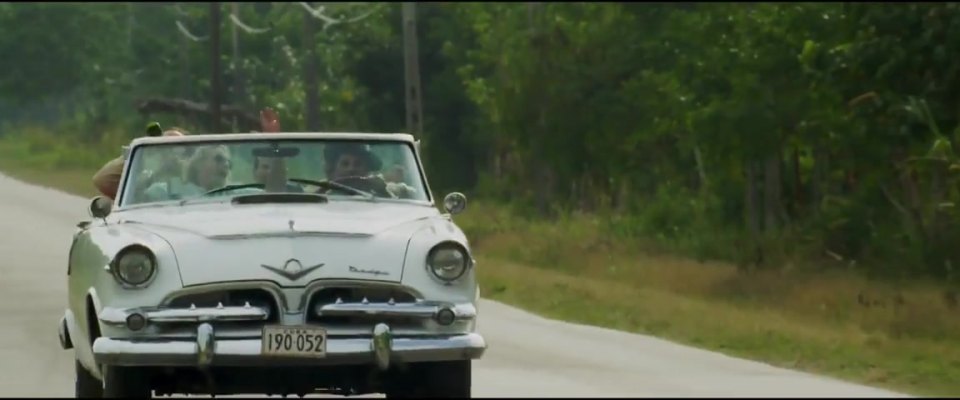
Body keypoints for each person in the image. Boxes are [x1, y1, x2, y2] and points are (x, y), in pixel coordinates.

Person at [92, 126, 189, 200]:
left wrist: (184, 169)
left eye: (177, 148)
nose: (171, 153)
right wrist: (138, 154)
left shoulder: (191, 170)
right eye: (165, 147)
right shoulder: (145, 170)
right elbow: (102, 180)